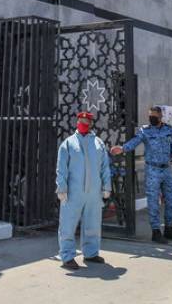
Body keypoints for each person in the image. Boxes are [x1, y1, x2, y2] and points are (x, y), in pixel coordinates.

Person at [111, 106, 172, 244]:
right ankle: (156, 232)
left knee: (171, 200)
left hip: (166, 170)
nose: (151, 118)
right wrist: (122, 148)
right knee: (153, 202)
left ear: (160, 116)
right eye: (150, 116)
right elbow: (135, 141)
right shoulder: (145, 130)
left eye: (154, 116)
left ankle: (169, 229)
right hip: (152, 170)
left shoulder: (168, 129)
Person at [56, 112, 112, 270]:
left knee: (93, 224)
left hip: (94, 192)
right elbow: (61, 168)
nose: (83, 123)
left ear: (91, 123)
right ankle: (67, 256)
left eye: (86, 121)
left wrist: (107, 186)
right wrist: (61, 188)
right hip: (73, 192)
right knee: (68, 224)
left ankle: (91, 253)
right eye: (81, 120)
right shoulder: (68, 143)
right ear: (77, 122)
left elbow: (105, 167)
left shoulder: (98, 143)